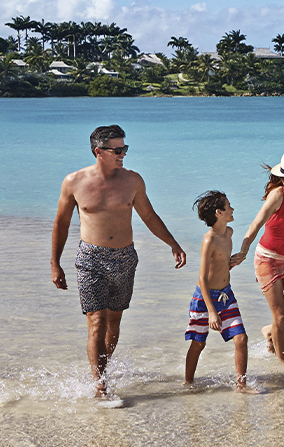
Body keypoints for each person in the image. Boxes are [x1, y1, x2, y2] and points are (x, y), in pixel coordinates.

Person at [51, 125, 189, 400]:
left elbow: (149, 216)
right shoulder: (73, 181)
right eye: (118, 150)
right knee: (97, 322)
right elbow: (62, 222)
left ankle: (103, 368)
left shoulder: (133, 181)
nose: (123, 154)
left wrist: (173, 243)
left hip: (125, 257)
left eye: (125, 148)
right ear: (98, 152)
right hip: (90, 257)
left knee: (114, 323)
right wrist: (55, 263)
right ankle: (100, 384)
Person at [234, 151, 284, 362]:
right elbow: (256, 224)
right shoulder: (276, 195)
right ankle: (283, 365)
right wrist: (243, 250)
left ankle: (270, 331)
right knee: (279, 315)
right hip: (267, 259)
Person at [183, 191, 258, 393]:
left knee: (241, 338)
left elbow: (220, 263)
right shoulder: (209, 240)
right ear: (219, 212)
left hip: (226, 295)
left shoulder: (229, 233)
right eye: (229, 206)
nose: (232, 209)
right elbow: (202, 277)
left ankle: (241, 385)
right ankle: (188, 383)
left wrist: (233, 261)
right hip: (204, 298)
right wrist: (212, 311)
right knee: (198, 343)